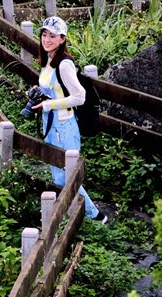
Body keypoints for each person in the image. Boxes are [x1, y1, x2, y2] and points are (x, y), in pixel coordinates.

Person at [30, 16, 108, 224]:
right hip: (52, 125)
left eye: (52, 36)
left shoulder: (64, 64)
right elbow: (55, 89)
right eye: (44, 34)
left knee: (66, 178)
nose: (46, 39)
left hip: (64, 126)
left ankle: (95, 217)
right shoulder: (47, 59)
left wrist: (47, 105)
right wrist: (39, 91)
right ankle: (83, 215)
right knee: (59, 176)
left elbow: (80, 96)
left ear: (62, 39)